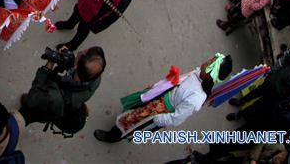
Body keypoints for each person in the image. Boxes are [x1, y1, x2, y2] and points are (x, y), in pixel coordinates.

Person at [95, 54, 233, 142]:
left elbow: (176, 118)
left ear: (210, 75)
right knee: (133, 113)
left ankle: (112, 136)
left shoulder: (197, 98)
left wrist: (154, 119)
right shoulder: (199, 73)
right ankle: (120, 128)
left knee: (132, 123)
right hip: (160, 97)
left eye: (210, 63)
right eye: (210, 59)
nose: (206, 61)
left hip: (160, 112)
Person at [19, 47, 106, 133]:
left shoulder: (54, 96)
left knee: (28, 112)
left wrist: (48, 65)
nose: (79, 52)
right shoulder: (95, 78)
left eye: (81, 53)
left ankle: (20, 123)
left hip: (49, 108)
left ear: (77, 65)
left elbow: (33, 96)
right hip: (67, 106)